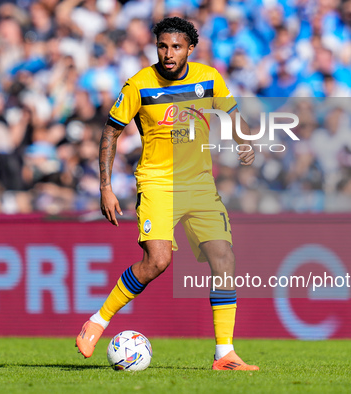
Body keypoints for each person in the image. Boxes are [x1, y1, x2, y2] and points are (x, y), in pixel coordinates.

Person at [75, 17, 259, 371]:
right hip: (157, 183)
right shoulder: (139, 85)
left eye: (176, 47)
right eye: (162, 46)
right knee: (157, 262)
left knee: (225, 261)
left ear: (190, 48)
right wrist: (106, 187)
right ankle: (98, 320)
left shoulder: (209, 77)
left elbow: (234, 116)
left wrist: (245, 141)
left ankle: (225, 355)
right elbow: (111, 133)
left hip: (201, 185)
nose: (168, 53)